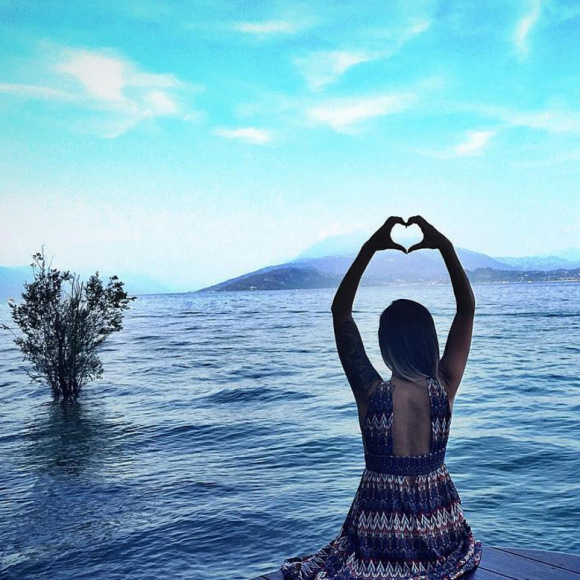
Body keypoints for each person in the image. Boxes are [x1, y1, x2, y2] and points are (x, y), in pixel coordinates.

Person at [280, 215, 483, 579]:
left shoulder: (371, 394)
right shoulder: (444, 387)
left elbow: (339, 312)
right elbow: (466, 309)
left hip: (377, 532)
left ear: (385, 346)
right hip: (439, 526)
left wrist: (369, 248)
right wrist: (446, 248)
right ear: (428, 341)